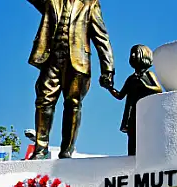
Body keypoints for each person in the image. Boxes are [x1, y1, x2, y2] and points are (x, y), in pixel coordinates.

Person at [26, 0, 114, 159]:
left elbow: (101, 37)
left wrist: (107, 69)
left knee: (73, 103)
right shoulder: (51, 1)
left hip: (77, 62)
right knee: (43, 100)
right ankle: (40, 149)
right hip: (51, 60)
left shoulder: (90, 4)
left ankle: (67, 149)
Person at [108, 44, 162, 156]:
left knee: (144, 136)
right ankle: (132, 159)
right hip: (132, 114)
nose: (132, 55)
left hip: (145, 112)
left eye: (135, 53)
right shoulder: (131, 78)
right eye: (131, 53)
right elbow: (120, 95)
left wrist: (144, 86)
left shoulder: (148, 74)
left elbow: (158, 89)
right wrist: (109, 88)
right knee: (132, 138)